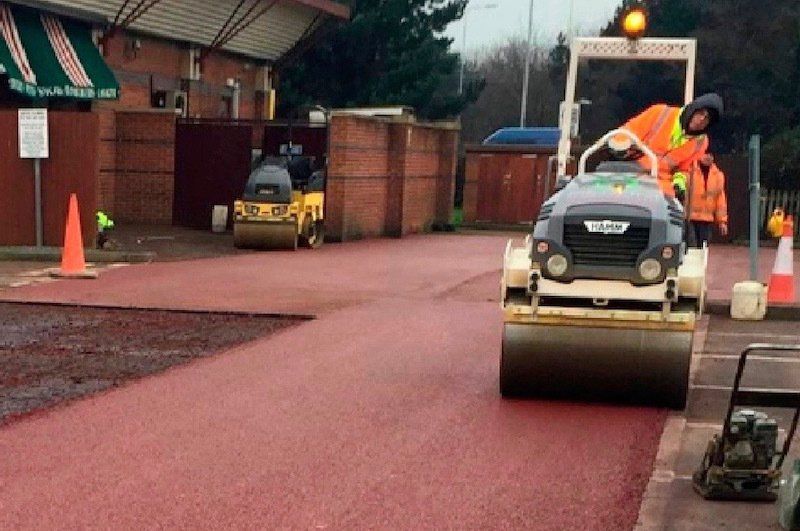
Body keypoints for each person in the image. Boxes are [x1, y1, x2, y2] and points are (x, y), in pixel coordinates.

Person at [619, 93, 724, 196]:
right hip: (630, 174)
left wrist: (679, 183)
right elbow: (626, 132)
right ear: (693, 109)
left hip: (659, 188)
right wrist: (619, 148)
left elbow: (684, 169)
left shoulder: (701, 142)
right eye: (700, 113)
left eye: (707, 118)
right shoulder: (660, 112)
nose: (701, 119)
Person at [683, 154, 728, 248]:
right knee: (691, 248)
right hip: (689, 218)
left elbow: (720, 200)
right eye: (705, 153)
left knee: (703, 249)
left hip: (707, 220)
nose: (708, 157)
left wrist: (722, 221)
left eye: (711, 155)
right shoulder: (689, 171)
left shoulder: (718, 175)